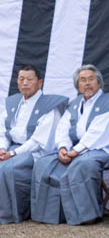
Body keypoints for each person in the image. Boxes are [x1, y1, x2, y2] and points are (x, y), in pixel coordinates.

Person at [31, 65, 109, 225]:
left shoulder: (108, 104)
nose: (87, 83)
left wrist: (75, 151)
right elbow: (63, 128)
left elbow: (97, 134)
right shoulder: (75, 104)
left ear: (99, 82)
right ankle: (54, 215)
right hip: (76, 149)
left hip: (102, 149)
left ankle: (87, 215)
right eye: (83, 80)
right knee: (44, 163)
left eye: (91, 79)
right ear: (77, 86)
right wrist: (63, 147)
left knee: (82, 165)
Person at [0, 65, 67, 224]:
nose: (25, 83)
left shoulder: (49, 106)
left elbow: (37, 141)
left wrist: (12, 154)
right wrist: (2, 148)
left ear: (39, 83)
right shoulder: (13, 103)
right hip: (12, 148)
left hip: (35, 152)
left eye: (29, 79)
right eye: (21, 79)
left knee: (8, 168)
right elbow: (4, 131)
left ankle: (11, 214)